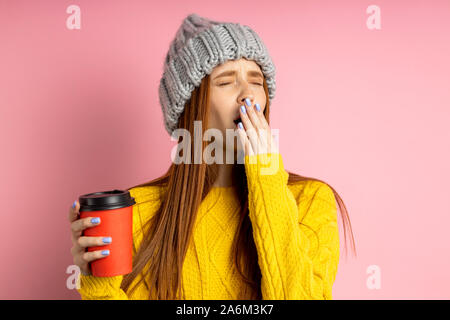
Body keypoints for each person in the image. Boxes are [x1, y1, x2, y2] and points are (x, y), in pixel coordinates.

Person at [68, 13, 356, 300]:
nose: (248, 95)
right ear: (192, 107)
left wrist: (266, 177)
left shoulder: (310, 200)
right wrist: (97, 285)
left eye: (256, 81)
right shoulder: (138, 212)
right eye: (226, 82)